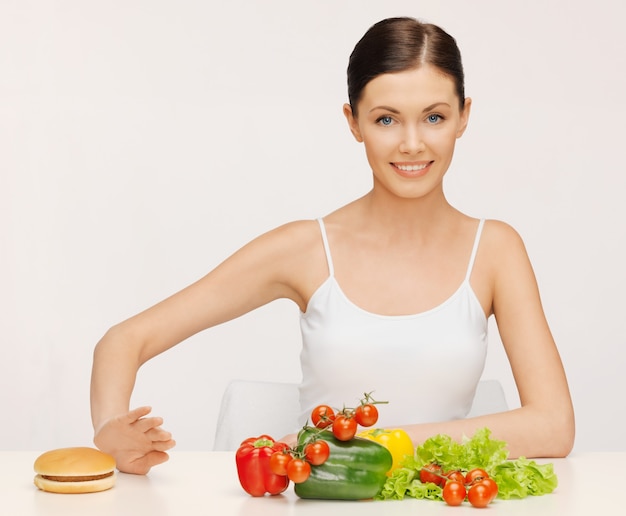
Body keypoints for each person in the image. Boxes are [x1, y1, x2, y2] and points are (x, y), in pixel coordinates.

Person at [90, 16, 575, 474]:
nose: (411, 144)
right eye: (386, 120)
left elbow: (554, 425)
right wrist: (111, 430)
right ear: (353, 122)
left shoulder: (495, 249)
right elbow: (124, 340)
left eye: (433, 117)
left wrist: (383, 444)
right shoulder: (306, 248)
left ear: (463, 117)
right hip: (326, 501)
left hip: (440, 501)